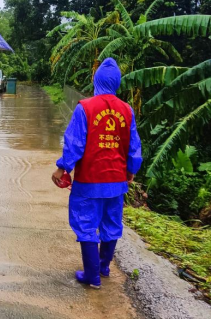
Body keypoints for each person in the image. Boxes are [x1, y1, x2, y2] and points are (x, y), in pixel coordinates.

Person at [52, 58, 142, 289]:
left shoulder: (85, 107)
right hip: (116, 182)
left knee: (86, 224)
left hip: (90, 181)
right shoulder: (127, 110)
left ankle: (92, 276)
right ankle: (103, 267)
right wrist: (131, 171)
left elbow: (74, 144)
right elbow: (134, 147)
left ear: (96, 80)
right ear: (117, 82)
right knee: (111, 224)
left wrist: (63, 168)